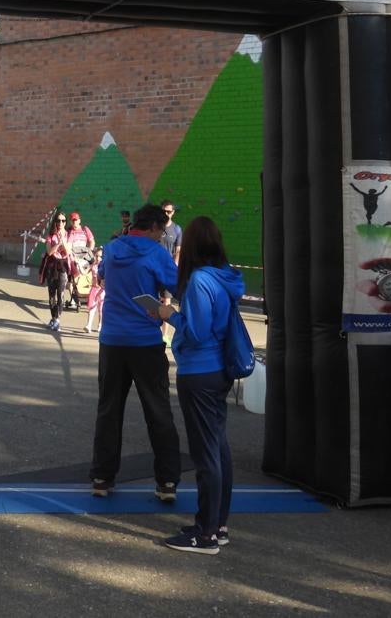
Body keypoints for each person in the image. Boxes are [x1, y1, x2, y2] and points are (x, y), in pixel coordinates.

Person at [157, 216, 245, 556]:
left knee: (206, 454)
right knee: (218, 449)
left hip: (199, 371)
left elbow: (195, 332)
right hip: (220, 369)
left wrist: (169, 315)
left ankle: (206, 534)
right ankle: (216, 524)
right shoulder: (226, 278)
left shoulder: (198, 282)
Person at [89, 203, 181, 503]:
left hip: (113, 340)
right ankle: (167, 481)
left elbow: (102, 277)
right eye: (161, 232)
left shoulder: (114, 248)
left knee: (109, 409)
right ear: (153, 227)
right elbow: (178, 287)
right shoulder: (156, 253)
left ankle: (102, 477)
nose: (161, 237)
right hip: (144, 342)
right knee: (158, 411)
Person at [40, 213, 72, 331]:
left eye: (63, 221)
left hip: (63, 266)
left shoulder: (69, 235)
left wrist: (63, 241)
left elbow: (68, 251)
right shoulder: (51, 236)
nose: (61, 223)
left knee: (61, 293)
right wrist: (58, 243)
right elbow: (49, 252)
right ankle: (53, 318)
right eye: (58, 221)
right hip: (52, 265)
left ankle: (58, 319)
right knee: (52, 294)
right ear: (55, 222)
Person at [83, 246, 105, 334]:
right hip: (93, 289)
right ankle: (88, 325)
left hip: (102, 290)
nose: (98, 258)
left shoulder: (104, 266)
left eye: (100, 256)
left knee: (101, 309)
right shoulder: (93, 265)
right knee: (92, 308)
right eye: (96, 256)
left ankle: (100, 325)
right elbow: (84, 271)